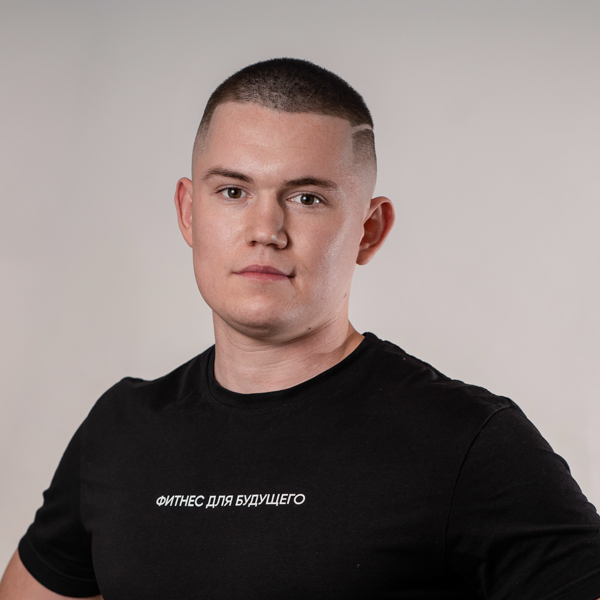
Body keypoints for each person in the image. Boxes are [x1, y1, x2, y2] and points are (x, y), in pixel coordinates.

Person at [1, 58, 599, 600]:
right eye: (233, 191)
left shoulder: (468, 442)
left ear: (369, 230)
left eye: (307, 198)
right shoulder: (120, 432)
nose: (266, 230)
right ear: (188, 211)